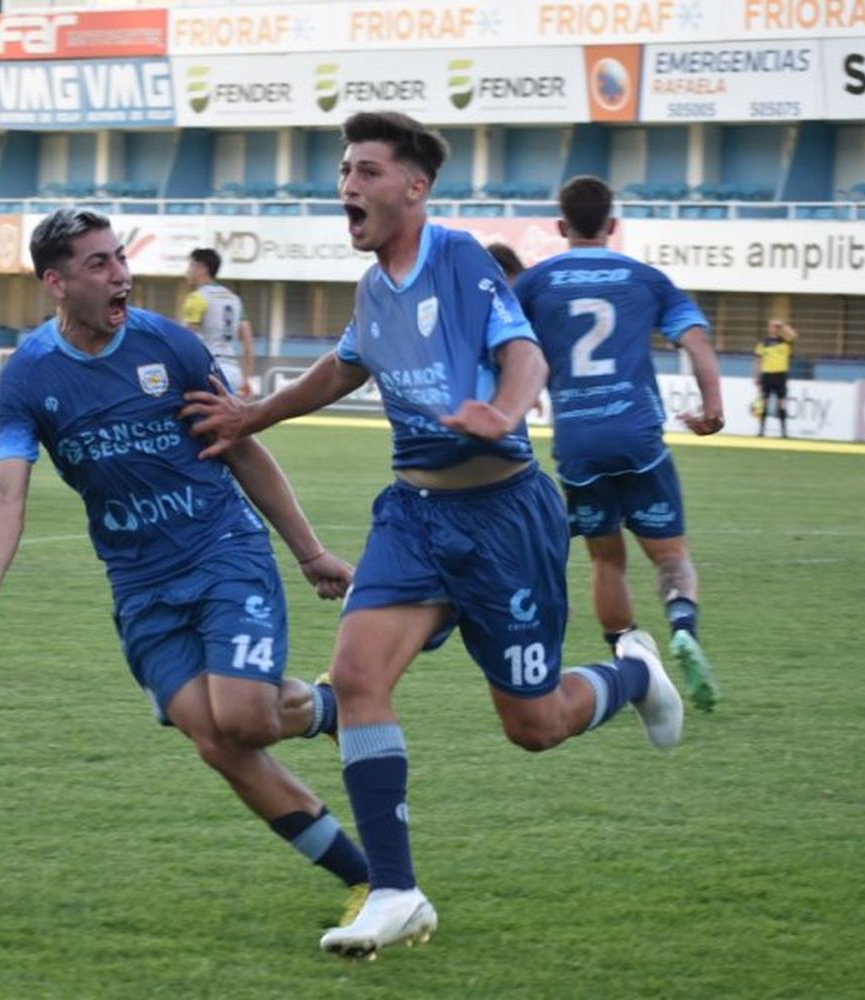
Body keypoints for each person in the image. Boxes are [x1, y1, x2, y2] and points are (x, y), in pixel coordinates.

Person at [181, 114, 686, 959]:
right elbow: (344, 367)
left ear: (414, 188)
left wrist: (504, 411)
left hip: (503, 522)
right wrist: (252, 415)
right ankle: (395, 889)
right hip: (413, 517)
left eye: (368, 171)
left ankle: (632, 674)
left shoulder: (457, 257)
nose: (349, 185)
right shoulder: (374, 287)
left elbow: (526, 354)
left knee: (534, 725)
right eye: (345, 170)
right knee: (355, 675)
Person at [0, 207, 373, 921]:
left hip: (223, 553)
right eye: (99, 265)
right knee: (217, 742)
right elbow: (5, 490)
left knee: (239, 717)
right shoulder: (26, 379)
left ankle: (328, 716)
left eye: (120, 258)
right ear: (56, 282)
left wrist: (309, 551)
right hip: (141, 587)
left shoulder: (168, 347)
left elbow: (240, 446)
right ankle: (365, 876)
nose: (122, 275)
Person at [512, 175, 723, 715]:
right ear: (611, 225)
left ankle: (630, 654)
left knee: (607, 561)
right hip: (637, 434)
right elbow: (695, 339)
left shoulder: (535, 283)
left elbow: (500, 344)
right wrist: (712, 407)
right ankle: (682, 626)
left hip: (578, 440)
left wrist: (516, 398)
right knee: (670, 554)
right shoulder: (646, 278)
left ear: (561, 227)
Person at [181, 248, 255, 399]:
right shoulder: (234, 299)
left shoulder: (197, 298)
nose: (187, 271)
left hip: (210, 370)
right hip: (233, 371)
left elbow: (185, 338)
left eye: (191, 266)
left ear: (201, 268)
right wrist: (247, 378)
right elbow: (248, 342)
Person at [753, 319, 797, 437]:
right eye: (773, 326)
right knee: (764, 403)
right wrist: (756, 376)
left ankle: (784, 432)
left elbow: (794, 335)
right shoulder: (763, 343)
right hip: (767, 375)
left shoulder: (785, 341)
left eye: (777, 327)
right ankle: (761, 431)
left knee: (782, 403)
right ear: (769, 328)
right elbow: (758, 361)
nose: (775, 329)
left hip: (781, 375)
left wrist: (783, 325)